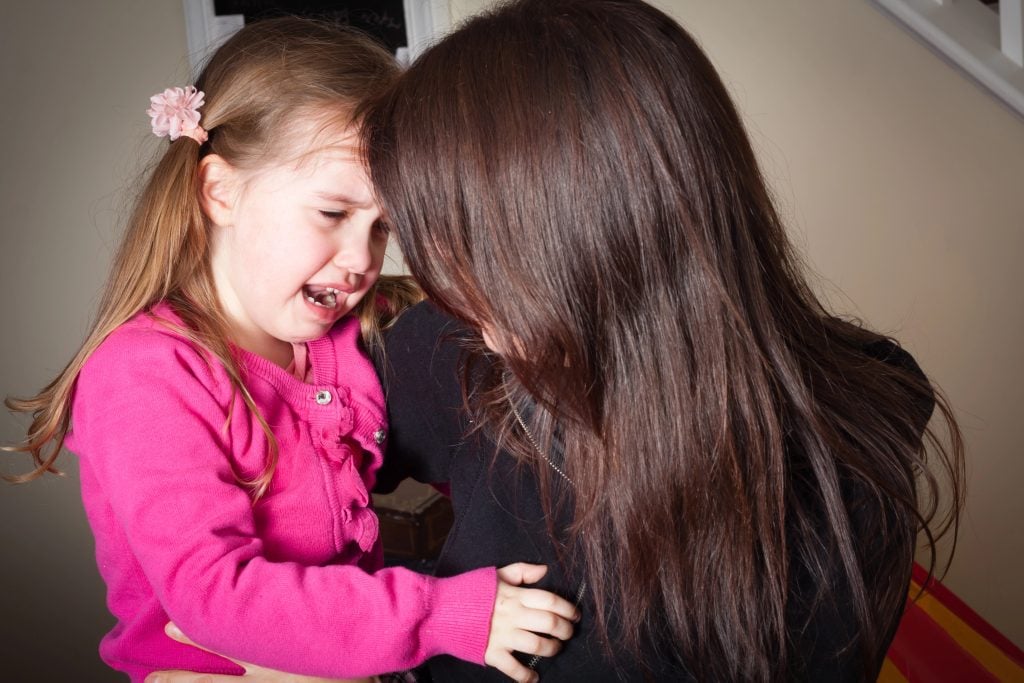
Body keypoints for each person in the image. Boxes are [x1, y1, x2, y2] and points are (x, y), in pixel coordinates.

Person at [149, 0, 965, 681]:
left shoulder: (842, 466)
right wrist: (286, 633)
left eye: (474, 248)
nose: (444, 287)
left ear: (602, 235)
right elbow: (283, 480)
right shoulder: (465, 343)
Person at [3, 17, 578, 683]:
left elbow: (473, 457)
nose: (362, 259)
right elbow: (217, 595)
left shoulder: (348, 341)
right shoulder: (146, 374)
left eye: (382, 227)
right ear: (220, 192)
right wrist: (441, 613)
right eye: (332, 214)